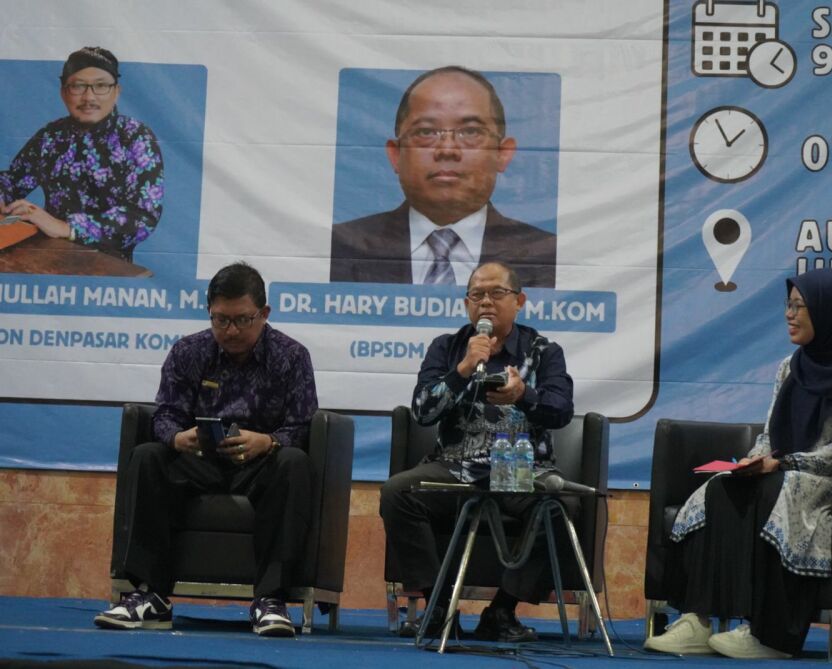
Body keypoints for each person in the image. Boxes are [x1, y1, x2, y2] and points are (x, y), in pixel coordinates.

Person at [645, 268, 832, 659]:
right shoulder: (791, 367)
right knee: (725, 484)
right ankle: (698, 618)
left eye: (800, 306)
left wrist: (783, 464)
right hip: (783, 471)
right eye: (788, 305)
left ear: (831, 311)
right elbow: (770, 434)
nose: (789, 314)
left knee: (778, 488)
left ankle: (772, 635)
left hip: (829, 485)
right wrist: (755, 458)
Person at [94, 262, 318, 637]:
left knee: (293, 463)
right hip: (199, 461)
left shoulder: (292, 356)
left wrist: (269, 441)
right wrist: (177, 438)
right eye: (220, 320)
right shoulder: (189, 351)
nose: (230, 331)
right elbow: (165, 414)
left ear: (264, 314)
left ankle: (270, 600)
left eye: (242, 320)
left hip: (259, 462)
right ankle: (150, 595)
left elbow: (302, 426)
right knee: (148, 456)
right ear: (209, 313)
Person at [380, 261, 574, 641]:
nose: (485, 303)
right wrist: (463, 368)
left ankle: (502, 611)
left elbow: (561, 411)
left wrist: (523, 395)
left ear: (519, 301)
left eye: (496, 294)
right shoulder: (448, 347)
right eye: (476, 295)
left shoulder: (544, 351)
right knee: (397, 492)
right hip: (454, 468)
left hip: (519, 470)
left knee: (561, 508)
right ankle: (438, 609)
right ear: (467, 304)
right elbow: (422, 411)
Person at [329, 66, 556, 287]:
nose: (447, 150)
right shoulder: (342, 246)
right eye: (426, 132)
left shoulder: (547, 255)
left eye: (470, 132)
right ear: (396, 154)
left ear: (502, 154)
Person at [0, 46, 164, 262]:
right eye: (78, 86)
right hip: (47, 258)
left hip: (109, 269)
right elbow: (13, 180)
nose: (89, 97)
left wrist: (65, 227)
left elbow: (142, 218)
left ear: (116, 92)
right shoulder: (52, 135)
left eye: (101, 86)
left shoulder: (135, 137)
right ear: (63, 92)